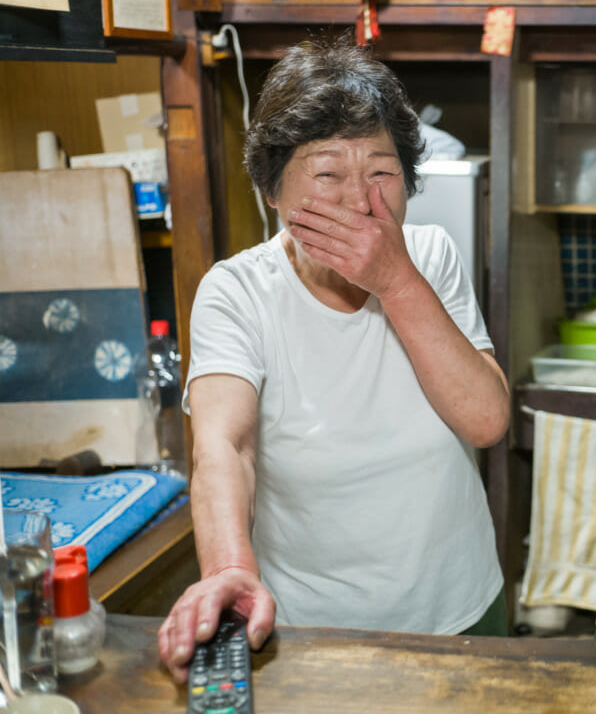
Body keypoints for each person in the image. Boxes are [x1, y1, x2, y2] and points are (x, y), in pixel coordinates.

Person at [157, 40, 511, 683]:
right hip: (311, 632)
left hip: (460, 612)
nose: (360, 200)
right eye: (327, 175)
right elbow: (224, 448)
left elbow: (485, 420)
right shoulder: (237, 291)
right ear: (272, 190)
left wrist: (397, 281)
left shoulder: (429, 256)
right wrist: (231, 568)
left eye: (382, 172)